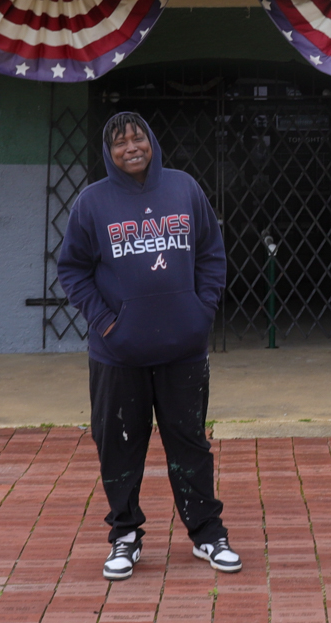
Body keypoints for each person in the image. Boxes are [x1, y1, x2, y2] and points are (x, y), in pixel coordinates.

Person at [56, 110, 240, 581]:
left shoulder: (184, 188)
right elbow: (72, 269)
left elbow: (211, 253)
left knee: (191, 443)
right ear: (108, 152)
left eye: (138, 138)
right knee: (118, 445)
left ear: (152, 142)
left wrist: (201, 312)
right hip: (118, 353)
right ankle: (125, 535)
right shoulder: (92, 203)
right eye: (120, 143)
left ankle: (207, 533)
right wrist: (104, 322)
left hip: (183, 348)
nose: (131, 148)